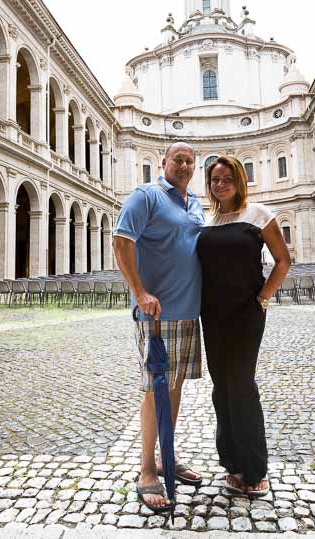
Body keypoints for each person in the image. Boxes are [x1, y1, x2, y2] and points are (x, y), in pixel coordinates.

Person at [112, 142, 205, 512]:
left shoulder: (195, 201)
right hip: (156, 315)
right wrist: (139, 292)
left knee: (175, 386)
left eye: (189, 161)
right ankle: (147, 469)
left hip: (188, 312)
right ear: (163, 163)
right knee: (154, 389)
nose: (183, 165)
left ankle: (167, 454)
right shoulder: (146, 195)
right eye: (177, 160)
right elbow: (121, 242)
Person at [196, 155, 291, 497]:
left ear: (239, 179)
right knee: (221, 387)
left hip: (246, 313)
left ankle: (254, 468)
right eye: (214, 180)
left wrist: (263, 299)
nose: (219, 185)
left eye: (226, 179)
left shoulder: (259, 214)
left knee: (242, 385)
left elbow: (283, 261)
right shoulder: (207, 219)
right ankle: (232, 462)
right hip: (212, 314)